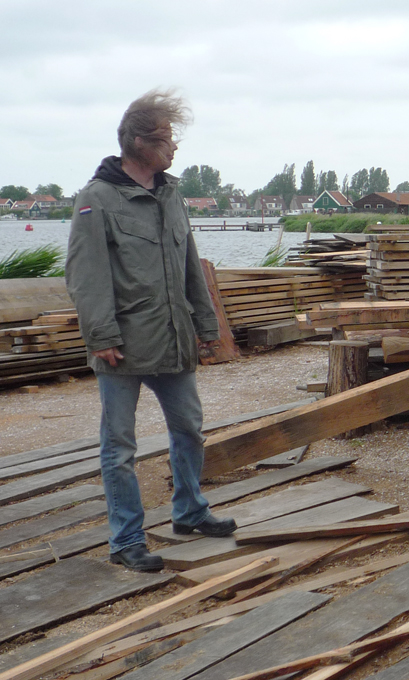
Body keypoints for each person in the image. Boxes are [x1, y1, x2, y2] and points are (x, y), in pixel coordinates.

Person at [66, 90, 236, 572]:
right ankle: (126, 540)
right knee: (120, 447)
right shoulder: (96, 200)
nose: (174, 149)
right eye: (166, 139)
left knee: (190, 429)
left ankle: (190, 511)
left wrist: (207, 327)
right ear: (138, 142)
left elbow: (189, 267)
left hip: (174, 339)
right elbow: (85, 275)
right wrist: (100, 336)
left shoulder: (170, 193)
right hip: (120, 346)